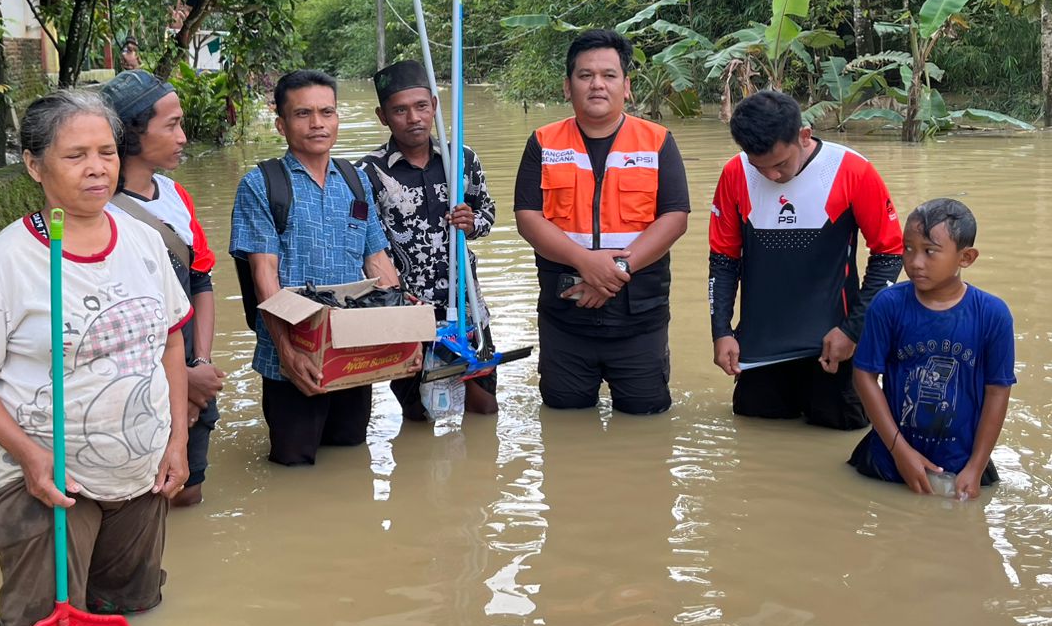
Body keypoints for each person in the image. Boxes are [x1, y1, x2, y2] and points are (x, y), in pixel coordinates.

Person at [0, 91, 192, 626]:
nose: (97, 167)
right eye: (75, 155)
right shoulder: (6, 263)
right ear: (34, 164)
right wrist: (29, 454)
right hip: (48, 480)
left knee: (135, 615)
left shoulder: (143, 240)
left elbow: (172, 341)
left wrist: (177, 440)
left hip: (141, 470)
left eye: (106, 151)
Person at [230, 69, 405, 466]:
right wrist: (289, 354)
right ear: (281, 124)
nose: (317, 124)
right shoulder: (261, 184)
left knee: (351, 459)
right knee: (293, 465)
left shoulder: (355, 180)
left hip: (351, 351)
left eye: (327, 112)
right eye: (303, 114)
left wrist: (402, 335)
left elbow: (378, 262)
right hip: (292, 357)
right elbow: (264, 276)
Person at [513, 29, 690, 415]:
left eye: (609, 75)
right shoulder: (543, 142)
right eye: (585, 75)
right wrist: (585, 262)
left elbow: (675, 218)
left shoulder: (657, 141)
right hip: (565, 321)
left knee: (646, 425)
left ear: (626, 86)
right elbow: (528, 218)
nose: (597, 84)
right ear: (567, 86)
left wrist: (614, 272)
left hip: (639, 321)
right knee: (563, 425)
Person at [708, 88, 904, 429]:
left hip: (834, 347)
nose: (771, 176)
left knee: (841, 434)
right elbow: (724, 260)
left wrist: (853, 330)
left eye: (780, 163)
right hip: (760, 350)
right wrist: (721, 331)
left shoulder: (852, 170)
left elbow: (889, 254)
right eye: (760, 166)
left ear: (803, 135)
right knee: (755, 439)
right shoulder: (735, 174)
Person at [100, 70, 225, 507]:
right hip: (139, 381)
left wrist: (200, 366)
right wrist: (179, 382)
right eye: (171, 125)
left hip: (188, 363)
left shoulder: (176, 196)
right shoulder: (97, 214)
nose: (183, 137)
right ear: (132, 133)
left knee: (187, 493)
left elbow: (201, 281)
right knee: (137, 501)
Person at [360, 59, 499, 421]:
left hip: (466, 303)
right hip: (406, 311)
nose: (414, 118)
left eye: (422, 106)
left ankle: (481, 477)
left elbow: (488, 215)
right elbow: (364, 245)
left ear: (435, 106)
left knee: (483, 408)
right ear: (383, 116)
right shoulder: (367, 172)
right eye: (400, 110)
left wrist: (472, 222)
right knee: (418, 412)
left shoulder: (462, 160)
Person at [848, 198, 1015, 498]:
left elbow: (997, 391)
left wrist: (976, 467)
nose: (914, 262)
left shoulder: (992, 315)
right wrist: (900, 450)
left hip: (961, 464)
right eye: (908, 248)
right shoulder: (888, 306)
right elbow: (864, 376)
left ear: (966, 258)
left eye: (929, 251)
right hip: (888, 460)